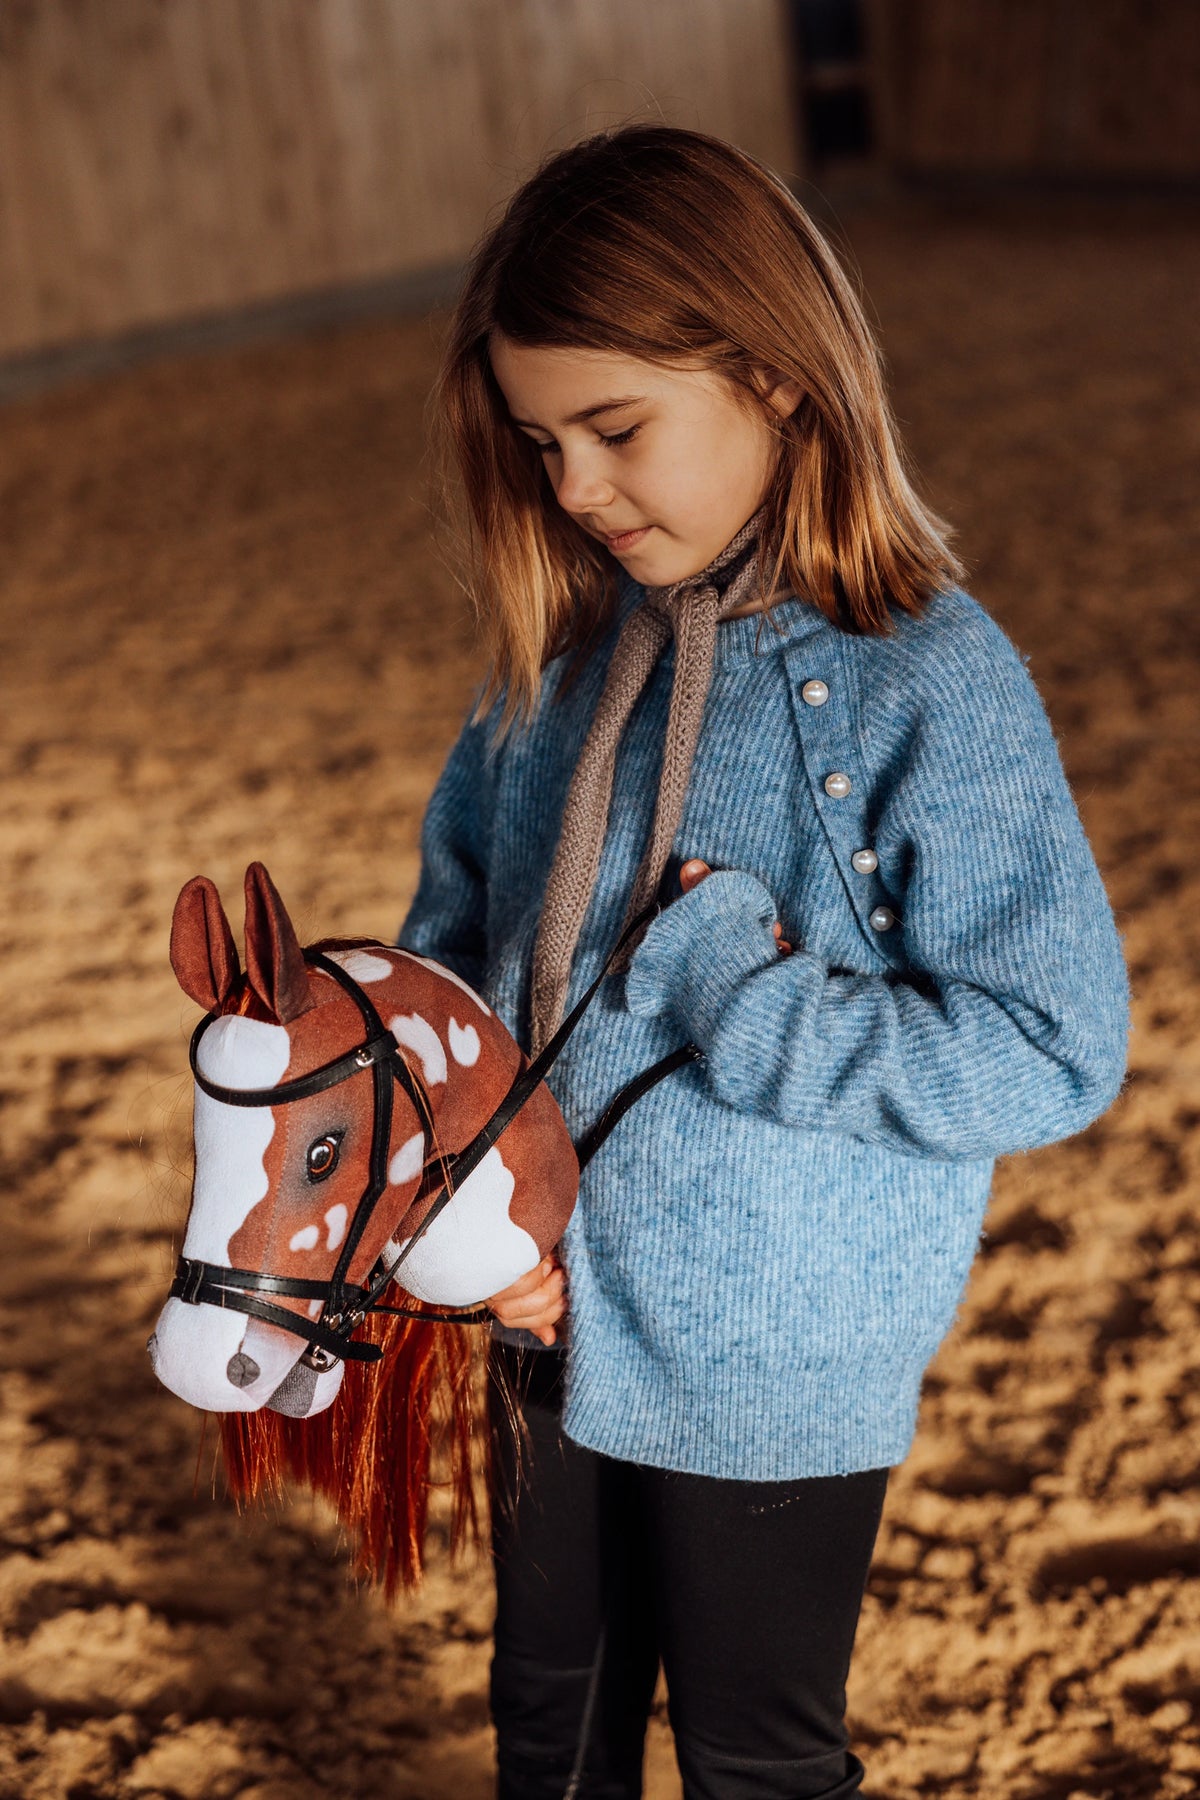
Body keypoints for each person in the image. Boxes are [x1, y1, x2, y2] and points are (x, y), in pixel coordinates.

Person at [398, 125, 1128, 1800]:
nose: (573, 489)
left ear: (779, 380)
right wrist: (468, 1224)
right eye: (538, 442)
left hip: (776, 1360)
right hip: (539, 1320)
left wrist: (742, 990)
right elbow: (459, 968)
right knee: (546, 1725)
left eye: (616, 429)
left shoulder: (925, 681)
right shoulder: (559, 668)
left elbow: (1049, 1049)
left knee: (753, 1757)